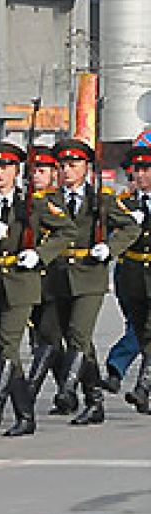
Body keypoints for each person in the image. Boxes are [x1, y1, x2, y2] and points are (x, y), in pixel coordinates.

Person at [0, 141, 72, 436]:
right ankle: (24, 415)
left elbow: (66, 231)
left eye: (6, 167)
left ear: (17, 171)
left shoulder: (32, 203)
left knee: (8, 345)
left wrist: (40, 254)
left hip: (21, 282)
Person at [36, 138, 140, 424]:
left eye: (74, 165)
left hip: (90, 275)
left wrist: (110, 247)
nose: (67, 171)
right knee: (64, 337)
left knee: (78, 334)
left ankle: (67, 390)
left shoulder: (101, 199)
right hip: (58, 276)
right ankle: (94, 400)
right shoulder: (48, 199)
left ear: (86, 167)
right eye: (62, 166)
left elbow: (130, 227)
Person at [107, 144, 151, 411]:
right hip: (131, 275)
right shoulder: (123, 203)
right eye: (137, 170)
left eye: (146, 169)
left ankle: (142, 387)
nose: (141, 175)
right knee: (139, 329)